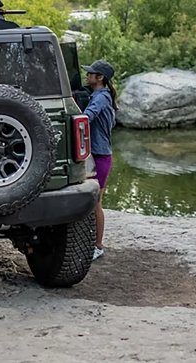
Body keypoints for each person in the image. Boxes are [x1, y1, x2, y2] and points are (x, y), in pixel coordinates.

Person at [82, 59, 118, 260]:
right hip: (96, 155)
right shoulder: (99, 95)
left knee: (96, 202)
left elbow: (86, 118)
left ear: (100, 78)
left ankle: (98, 246)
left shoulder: (101, 98)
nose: (87, 76)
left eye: (90, 73)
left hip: (100, 156)